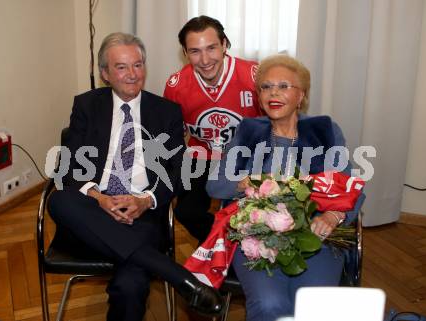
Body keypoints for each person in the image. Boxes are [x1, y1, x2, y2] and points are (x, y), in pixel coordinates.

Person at [47, 32, 223, 321]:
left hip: (141, 215)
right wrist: (99, 198)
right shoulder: (87, 106)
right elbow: (68, 168)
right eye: (121, 67)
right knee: (60, 201)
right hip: (91, 214)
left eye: (138, 65)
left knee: (131, 284)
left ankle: (165, 270)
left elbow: (177, 172)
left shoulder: (165, 111)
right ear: (105, 73)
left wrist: (146, 200)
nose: (132, 75)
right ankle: (182, 279)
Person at [206, 54, 365, 320]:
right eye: (265, 87)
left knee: (311, 307)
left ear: (301, 95)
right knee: (270, 304)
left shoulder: (323, 130)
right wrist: (252, 181)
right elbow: (215, 185)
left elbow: (351, 189)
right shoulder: (248, 131)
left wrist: (332, 215)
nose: (273, 94)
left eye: (283, 86)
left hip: (317, 236)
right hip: (256, 236)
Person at [164, 15, 262, 243]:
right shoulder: (176, 86)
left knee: (252, 209)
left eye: (212, 48)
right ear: (185, 53)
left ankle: (241, 247)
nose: (205, 59)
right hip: (202, 155)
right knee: (185, 211)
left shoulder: (253, 76)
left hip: (248, 157)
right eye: (195, 51)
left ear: (225, 44)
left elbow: (275, 125)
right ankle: (221, 242)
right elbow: (174, 136)